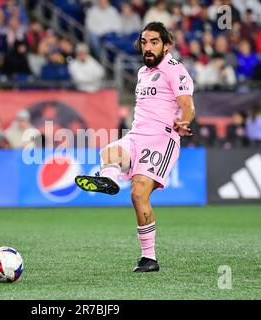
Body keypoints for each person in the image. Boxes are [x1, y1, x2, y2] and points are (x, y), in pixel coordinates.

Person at [75, 22, 195, 273]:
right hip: (137, 134)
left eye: (154, 42)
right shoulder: (142, 72)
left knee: (138, 194)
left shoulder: (175, 69)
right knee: (108, 151)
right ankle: (109, 180)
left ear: (166, 45)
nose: (148, 47)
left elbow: (187, 104)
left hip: (162, 139)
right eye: (144, 42)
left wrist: (184, 121)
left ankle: (149, 258)